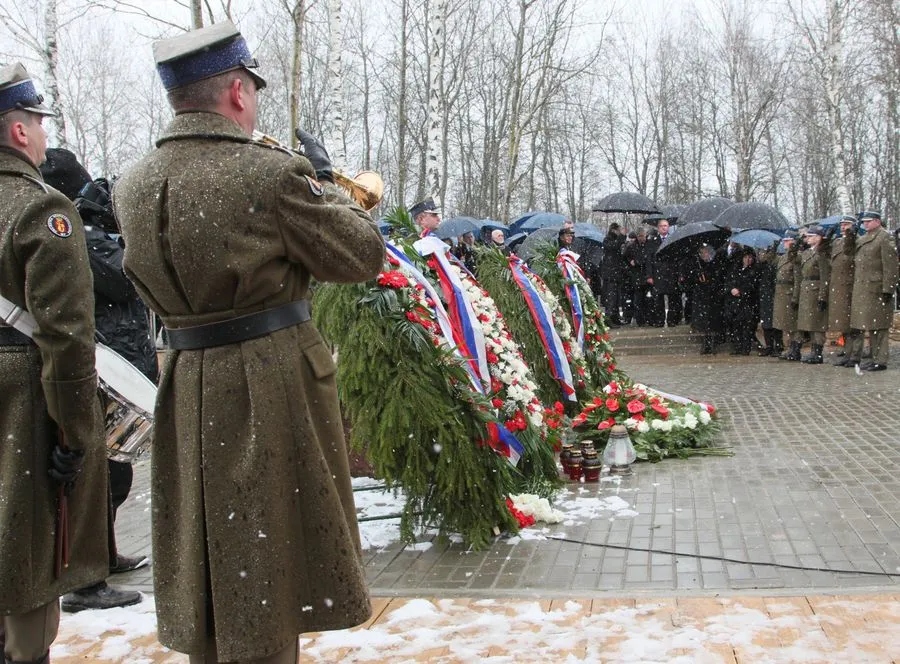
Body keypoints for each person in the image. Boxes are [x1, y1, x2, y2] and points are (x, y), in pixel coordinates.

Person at [111, 22, 384, 663]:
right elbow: (360, 254)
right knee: (265, 562)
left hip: (184, 378)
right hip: (267, 380)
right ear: (236, 92)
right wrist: (322, 186)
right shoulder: (268, 173)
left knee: (207, 556)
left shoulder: (133, 183)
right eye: (253, 90)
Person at [0, 62, 110, 664]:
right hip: (22, 399)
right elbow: (67, 341)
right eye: (38, 123)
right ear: (20, 132)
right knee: (26, 558)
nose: (44, 135)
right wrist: (75, 433)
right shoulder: (41, 210)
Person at [38, 148, 148, 613]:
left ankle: (102, 556)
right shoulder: (77, 234)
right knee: (100, 475)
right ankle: (84, 581)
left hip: (124, 359)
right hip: (103, 366)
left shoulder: (92, 230)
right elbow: (126, 278)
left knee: (114, 474)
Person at [842, 211, 899, 371]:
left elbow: (891, 266)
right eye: (864, 222)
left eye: (869, 221)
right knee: (869, 324)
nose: (865, 224)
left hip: (877, 289)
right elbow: (848, 252)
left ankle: (880, 360)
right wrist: (850, 237)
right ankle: (874, 358)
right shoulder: (863, 238)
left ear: (877, 221)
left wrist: (888, 289)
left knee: (879, 327)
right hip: (863, 289)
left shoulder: (884, 237)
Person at [795, 226, 831, 364]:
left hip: (815, 290)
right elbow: (794, 258)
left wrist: (822, 296)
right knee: (810, 323)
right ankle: (813, 352)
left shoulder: (822, 254)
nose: (807, 239)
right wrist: (798, 242)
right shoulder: (807, 253)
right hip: (806, 291)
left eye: (810, 236)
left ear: (818, 237)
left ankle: (818, 352)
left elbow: (824, 277)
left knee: (818, 324)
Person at [828, 216, 857, 366]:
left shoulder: (856, 240)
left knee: (852, 324)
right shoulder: (837, 242)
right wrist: (827, 237)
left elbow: (851, 253)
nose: (843, 227)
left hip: (850, 286)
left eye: (846, 224)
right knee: (843, 323)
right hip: (838, 286)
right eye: (842, 224)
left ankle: (853, 355)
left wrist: (851, 235)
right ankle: (847, 352)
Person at [688, 244, 724, 354]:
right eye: (702, 253)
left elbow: (718, 277)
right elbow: (692, 278)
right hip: (701, 296)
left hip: (713, 296)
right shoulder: (697, 264)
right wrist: (698, 276)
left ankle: (712, 344)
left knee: (712, 321)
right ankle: (705, 344)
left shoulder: (716, 263)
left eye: (706, 252)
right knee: (704, 322)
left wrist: (709, 279)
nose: (705, 255)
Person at [724, 247, 760, 355]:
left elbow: (752, 286)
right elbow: (729, 282)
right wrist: (732, 289)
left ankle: (745, 348)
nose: (748, 259)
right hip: (735, 302)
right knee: (736, 325)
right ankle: (738, 347)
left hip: (748, 303)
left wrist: (741, 291)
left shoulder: (754, 270)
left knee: (747, 326)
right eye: (746, 257)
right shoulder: (736, 269)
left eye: (750, 257)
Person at [646, 219, 682, 327]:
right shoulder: (652, 242)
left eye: (666, 226)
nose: (664, 228)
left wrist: (680, 274)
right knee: (658, 299)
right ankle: (659, 320)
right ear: (658, 228)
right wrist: (649, 275)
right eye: (661, 226)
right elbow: (649, 260)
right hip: (658, 274)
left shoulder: (673, 240)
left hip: (671, 274)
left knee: (673, 299)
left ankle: (671, 320)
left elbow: (678, 259)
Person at [772, 230, 802, 360]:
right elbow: (769, 259)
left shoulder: (796, 256)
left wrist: (795, 296)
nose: (784, 242)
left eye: (787, 240)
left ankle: (796, 350)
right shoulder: (784, 256)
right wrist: (772, 248)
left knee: (793, 324)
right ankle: (790, 348)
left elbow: (798, 278)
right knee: (786, 324)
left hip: (790, 293)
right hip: (782, 293)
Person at [623, 228, 654, 326]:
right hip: (636, 276)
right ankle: (640, 319)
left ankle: (649, 318)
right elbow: (625, 257)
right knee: (638, 299)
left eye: (644, 236)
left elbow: (649, 259)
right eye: (640, 236)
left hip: (647, 274)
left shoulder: (649, 245)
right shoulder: (631, 246)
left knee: (648, 299)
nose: (642, 238)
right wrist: (631, 262)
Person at [756, 242, 781, 356]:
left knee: (775, 322)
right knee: (766, 323)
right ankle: (769, 346)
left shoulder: (775, 264)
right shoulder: (762, 266)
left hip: (773, 295)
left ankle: (778, 346)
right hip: (764, 296)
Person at [600, 222, 626, 326]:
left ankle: (615, 317)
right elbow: (614, 246)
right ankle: (609, 318)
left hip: (616, 273)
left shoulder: (616, 239)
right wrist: (622, 236)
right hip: (610, 274)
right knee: (611, 298)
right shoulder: (608, 239)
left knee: (616, 298)